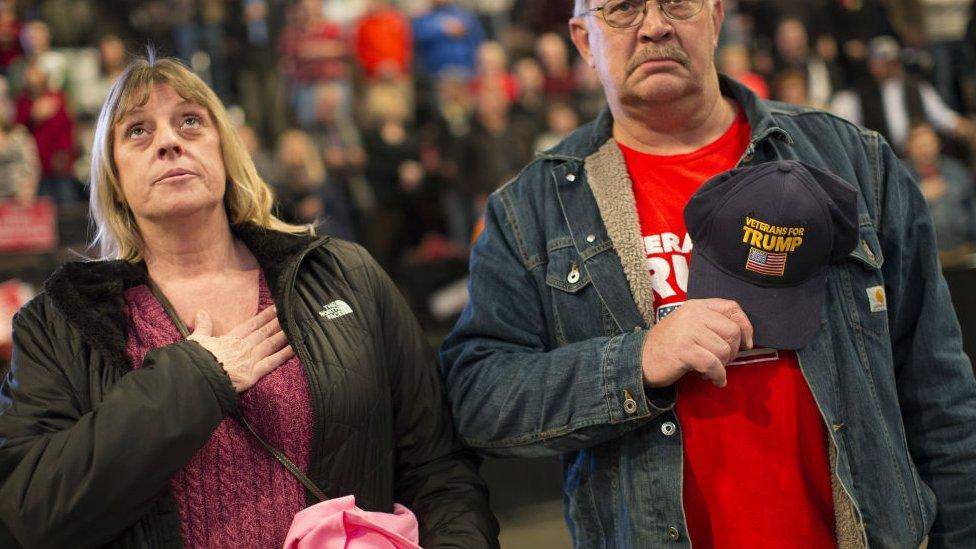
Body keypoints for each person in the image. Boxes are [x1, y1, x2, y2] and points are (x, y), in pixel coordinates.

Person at [440, 0, 976, 547]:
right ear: (583, 39)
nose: (654, 26)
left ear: (716, 17)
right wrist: (636, 362)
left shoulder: (851, 160)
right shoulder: (532, 209)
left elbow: (940, 390)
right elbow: (479, 396)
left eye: (676, 2)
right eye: (623, 9)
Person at [0, 54, 498, 548]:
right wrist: (194, 382)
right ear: (114, 178)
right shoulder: (59, 323)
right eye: (138, 131)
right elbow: (30, 512)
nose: (170, 141)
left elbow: (439, 468)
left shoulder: (345, 275)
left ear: (224, 150)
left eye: (190, 122)